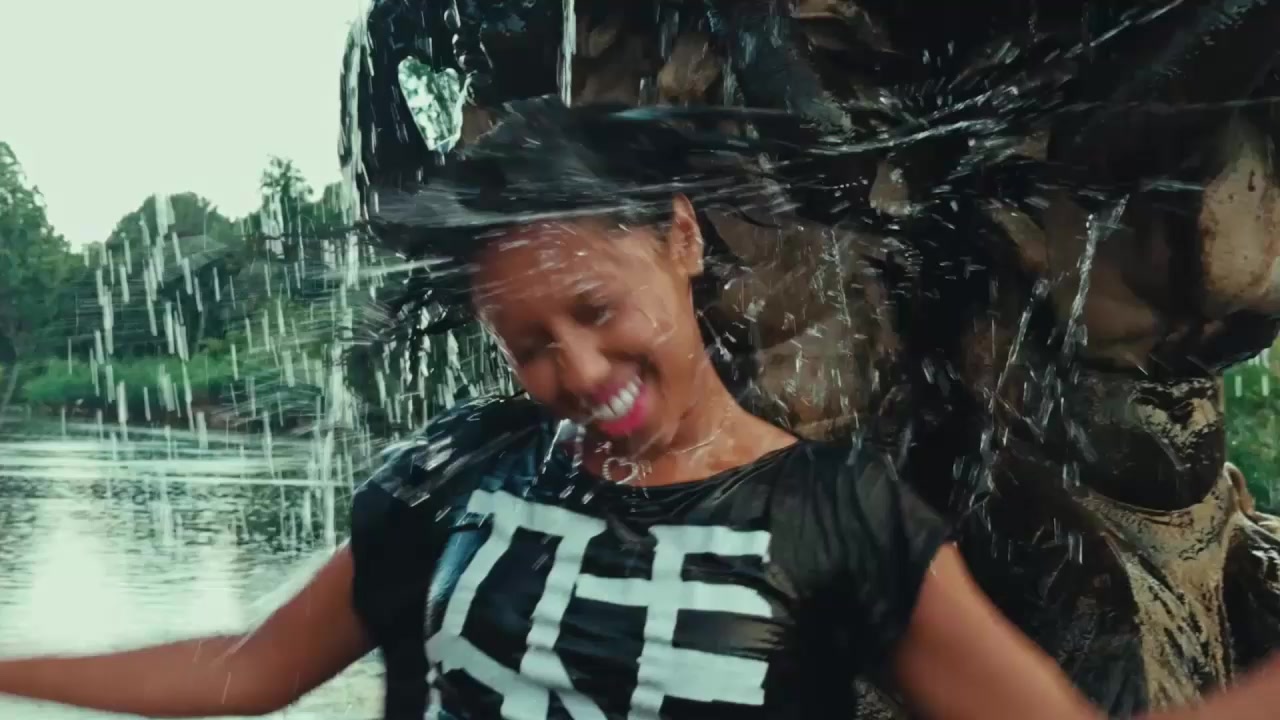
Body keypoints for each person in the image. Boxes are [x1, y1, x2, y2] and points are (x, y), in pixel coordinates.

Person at [0, 99, 1278, 720]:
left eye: (596, 310)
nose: (575, 370)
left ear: (679, 239)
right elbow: (246, 671)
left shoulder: (837, 517)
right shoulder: (459, 474)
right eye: (526, 344)